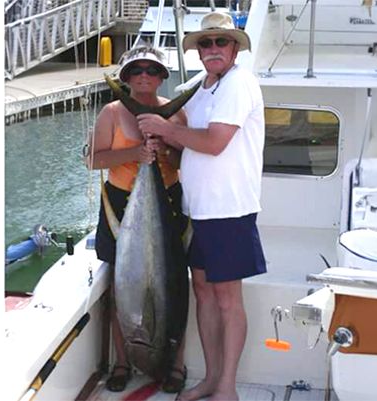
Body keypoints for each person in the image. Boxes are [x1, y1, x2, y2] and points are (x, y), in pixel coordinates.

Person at [137, 11, 267, 401]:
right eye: (205, 43)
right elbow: (173, 113)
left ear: (234, 48)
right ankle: (210, 378)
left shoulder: (238, 84)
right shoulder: (202, 84)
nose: (212, 49)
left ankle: (226, 386)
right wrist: (137, 96)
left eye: (220, 42)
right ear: (197, 50)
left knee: (228, 299)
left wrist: (163, 129)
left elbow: (213, 142)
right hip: (197, 211)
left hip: (228, 211)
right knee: (205, 293)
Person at [85, 44, 189, 393]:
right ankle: (120, 362)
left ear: (162, 76)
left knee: (173, 284)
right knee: (123, 284)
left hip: (167, 203)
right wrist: (136, 152)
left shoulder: (175, 115)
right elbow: (93, 160)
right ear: (126, 77)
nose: (144, 75)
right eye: (137, 70)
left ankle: (177, 364)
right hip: (120, 204)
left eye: (152, 70)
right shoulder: (112, 113)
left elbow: (184, 161)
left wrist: (166, 146)